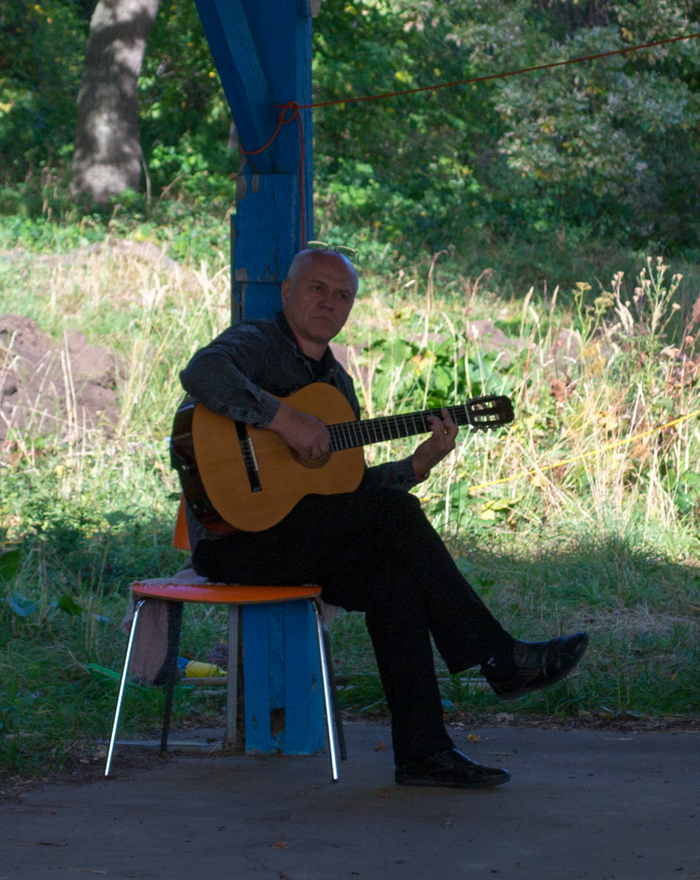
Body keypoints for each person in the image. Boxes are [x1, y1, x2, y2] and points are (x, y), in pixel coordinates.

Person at [179, 248, 588, 789]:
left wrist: (418, 464)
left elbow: (349, 491)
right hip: (235, 541)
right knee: (394, 519)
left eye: (342, 295)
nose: (329, 301)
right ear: (287, 293)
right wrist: (282, 419)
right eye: (317, 288)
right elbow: (200, 373)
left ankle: (424, 754)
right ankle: (498, 657)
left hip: (300, 535)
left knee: (393, 576)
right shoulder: (256, 344)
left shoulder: (337, 387)